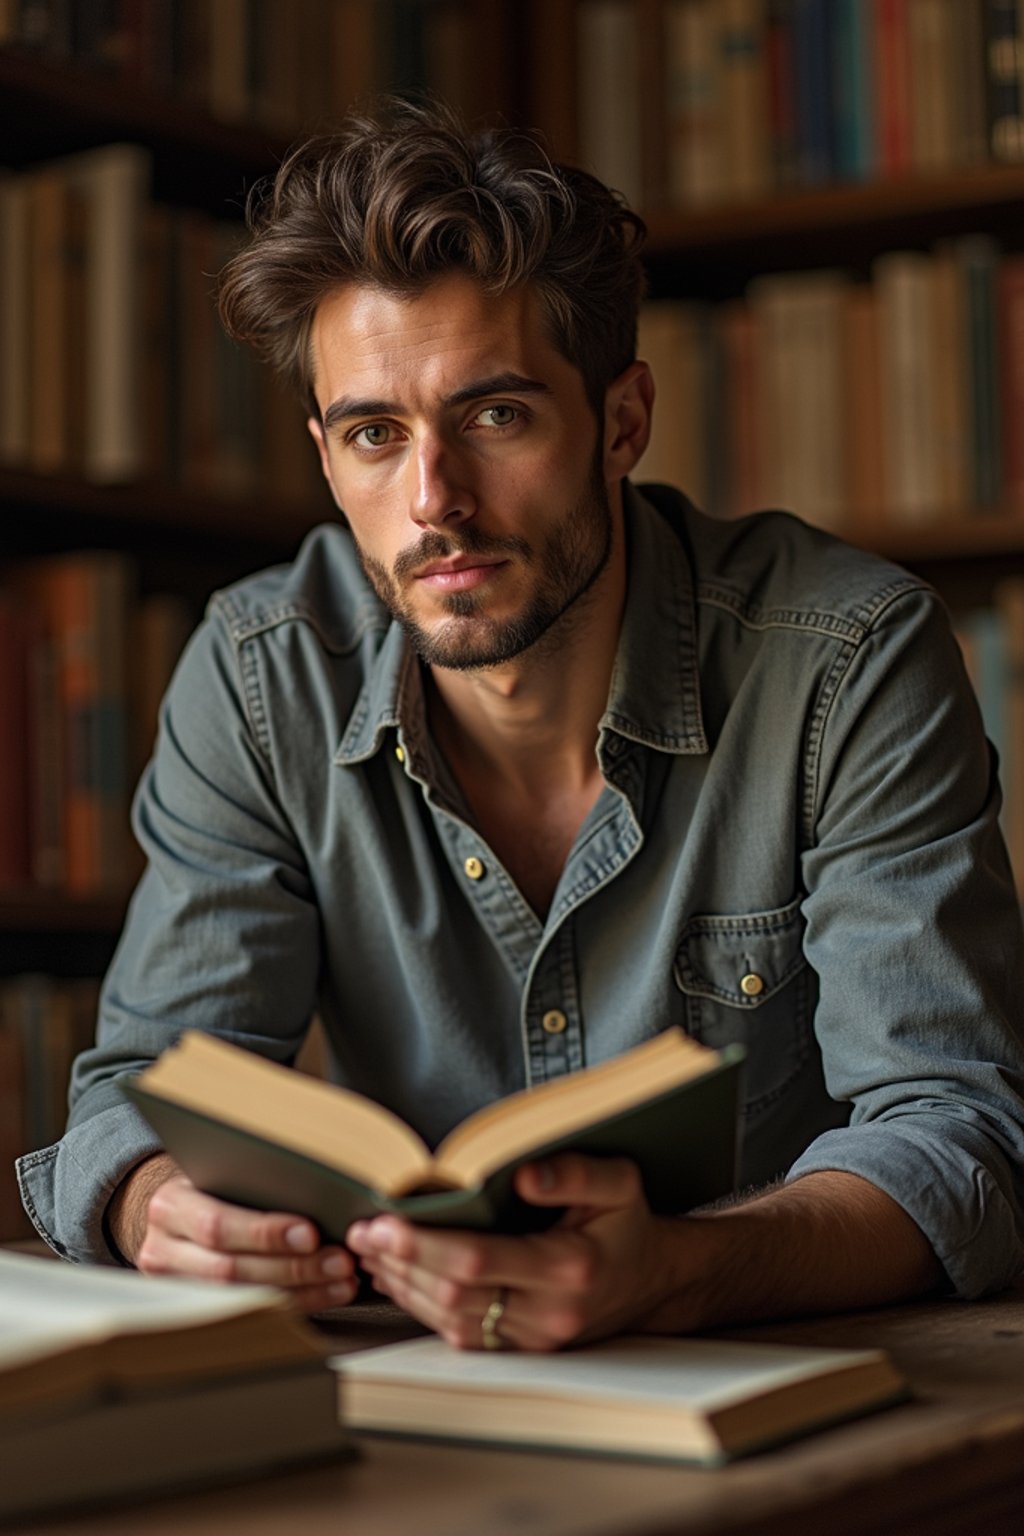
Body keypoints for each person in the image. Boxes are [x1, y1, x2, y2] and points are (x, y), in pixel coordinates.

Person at [18, 98, 1024, 1353]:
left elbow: (960, 1134)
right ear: (326, 459)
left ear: (621, 421)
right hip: (411, 1387)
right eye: (374, 435)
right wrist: (156, 1203)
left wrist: (683, 1271)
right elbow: (138, 1091)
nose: (433, 501)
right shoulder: (258, 672)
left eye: (495, 416)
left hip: (788, 1376)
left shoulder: (848, 660)